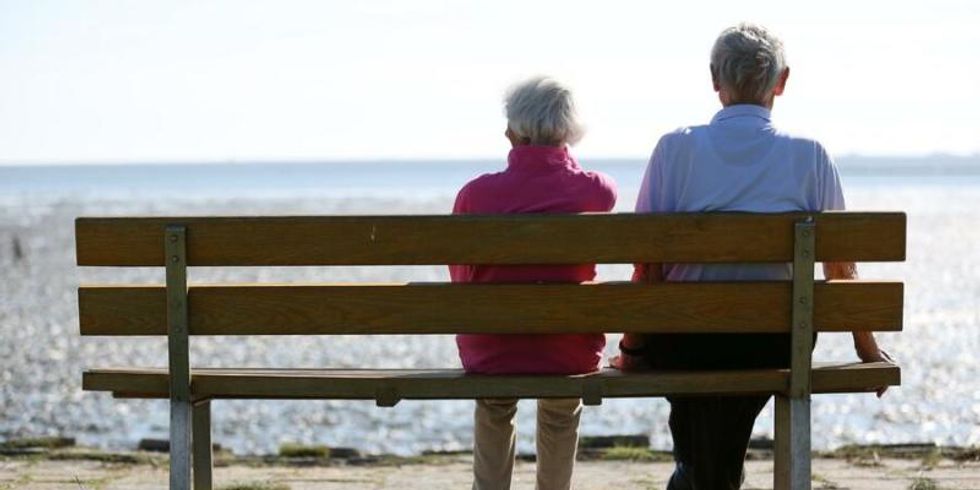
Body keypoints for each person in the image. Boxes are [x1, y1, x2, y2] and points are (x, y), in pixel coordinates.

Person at [613, 23, 893, 490]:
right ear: (781, 82)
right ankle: (704, 473)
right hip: (776, 342)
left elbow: (648, 263)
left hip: (685, 343)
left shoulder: (674, 149)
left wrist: (632, 348)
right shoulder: (810, 156)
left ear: (714, 79)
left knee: (702, 437)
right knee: (715, 441)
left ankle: (698, 474)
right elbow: (841, 266)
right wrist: (868, 350)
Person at [450, 76, 617, 490]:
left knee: (494, 403)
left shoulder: (475, 195)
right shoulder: (598, 193)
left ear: (511, 132)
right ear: (570, 130)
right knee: (561, 406)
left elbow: (460, 274)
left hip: (494, 349)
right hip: (567, 351)